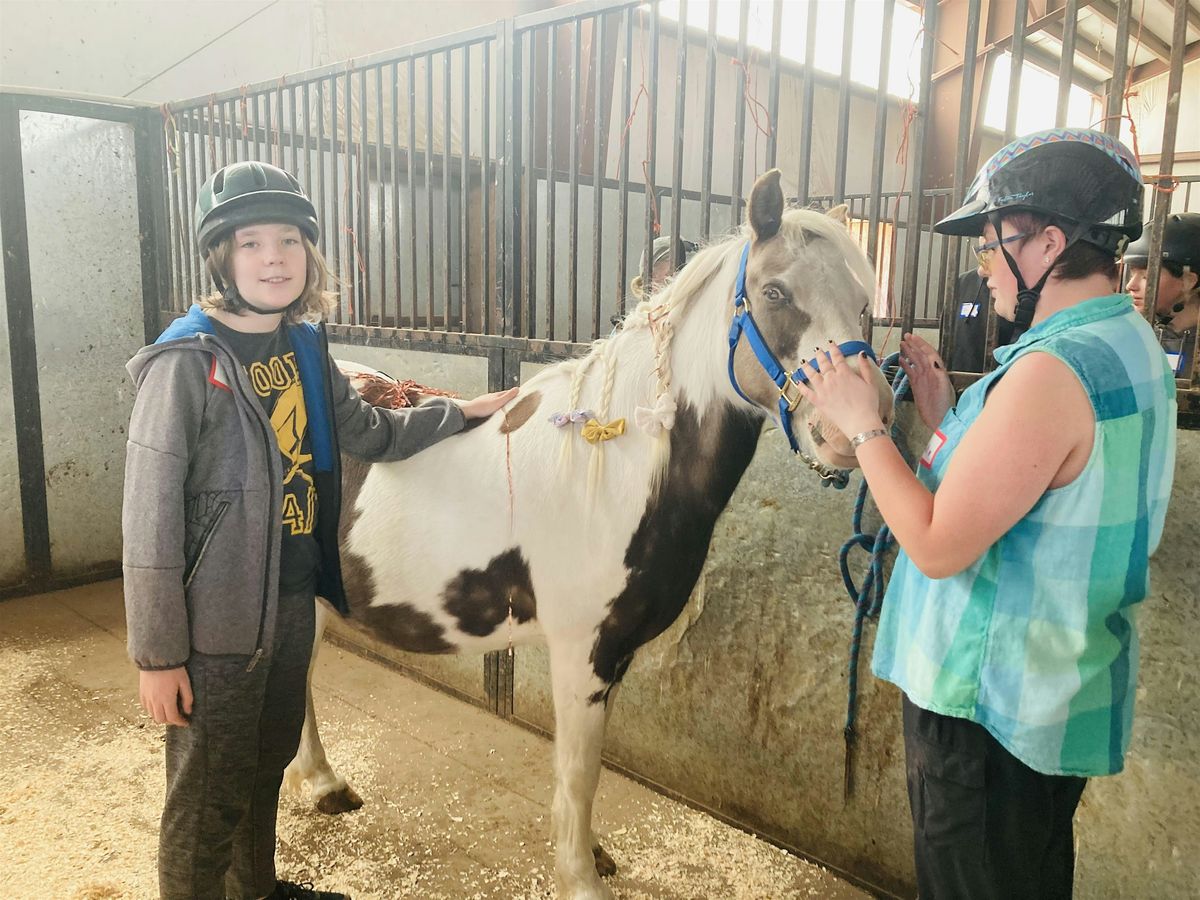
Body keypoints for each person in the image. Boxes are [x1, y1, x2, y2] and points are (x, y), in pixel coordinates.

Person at [792, 129, 1176, 898]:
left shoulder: (1049, 373)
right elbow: (1023, 489)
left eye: (991, 243)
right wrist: (940, 418)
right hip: (1049, 702)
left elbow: (936, 545)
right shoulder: (1127, 343)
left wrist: (861, 422)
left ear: (1050, 244)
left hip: (984, 715)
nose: (983, 266)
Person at [122, 160, 516, 900]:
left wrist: (461, 412)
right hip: (217, 624)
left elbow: (369, 431)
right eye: (249, 243)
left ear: (309, 255)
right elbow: (147, 522)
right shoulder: (184, 363)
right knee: (206, 792)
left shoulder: (303, 346)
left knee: (267, 759)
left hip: (295, 594)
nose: (274, 257)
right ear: (220, 259)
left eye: (289, 241)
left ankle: (256, 889)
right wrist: (157, 656)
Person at [1123, 211, 1200, 379]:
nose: (1130, 286)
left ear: (1189, 280)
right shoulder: (1137, 335)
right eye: (1131, 274)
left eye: (1146, 276)